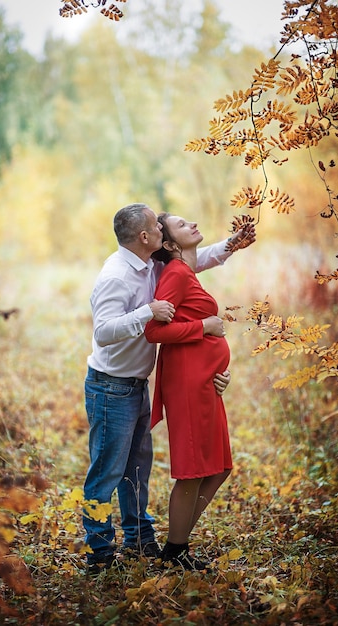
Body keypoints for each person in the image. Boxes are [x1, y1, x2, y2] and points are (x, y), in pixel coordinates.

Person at [83, 203, 256, 574]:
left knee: (136, 471)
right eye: (157, 228)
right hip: (110, 386)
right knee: (106, 473)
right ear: (145, 237)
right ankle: (99, 554)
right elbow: (102, 332)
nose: (163, 232)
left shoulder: (152, 265)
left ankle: (139, 542)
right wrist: (149, 312)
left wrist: (232, 244)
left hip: (137, 383)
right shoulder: (115, 276)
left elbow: (191, 262)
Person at [144, 212, 254, 571]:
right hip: (187, 382)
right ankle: (174, 552)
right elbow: (154, 332)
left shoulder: (186, 270)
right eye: (180, 225)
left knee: (219, 467)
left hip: (205, 381)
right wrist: (204, 326)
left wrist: (219, 369)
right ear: (172, 244)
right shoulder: (174, 274)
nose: (191, 223)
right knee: (192, 471)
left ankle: (175, 547)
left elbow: (208, 258)